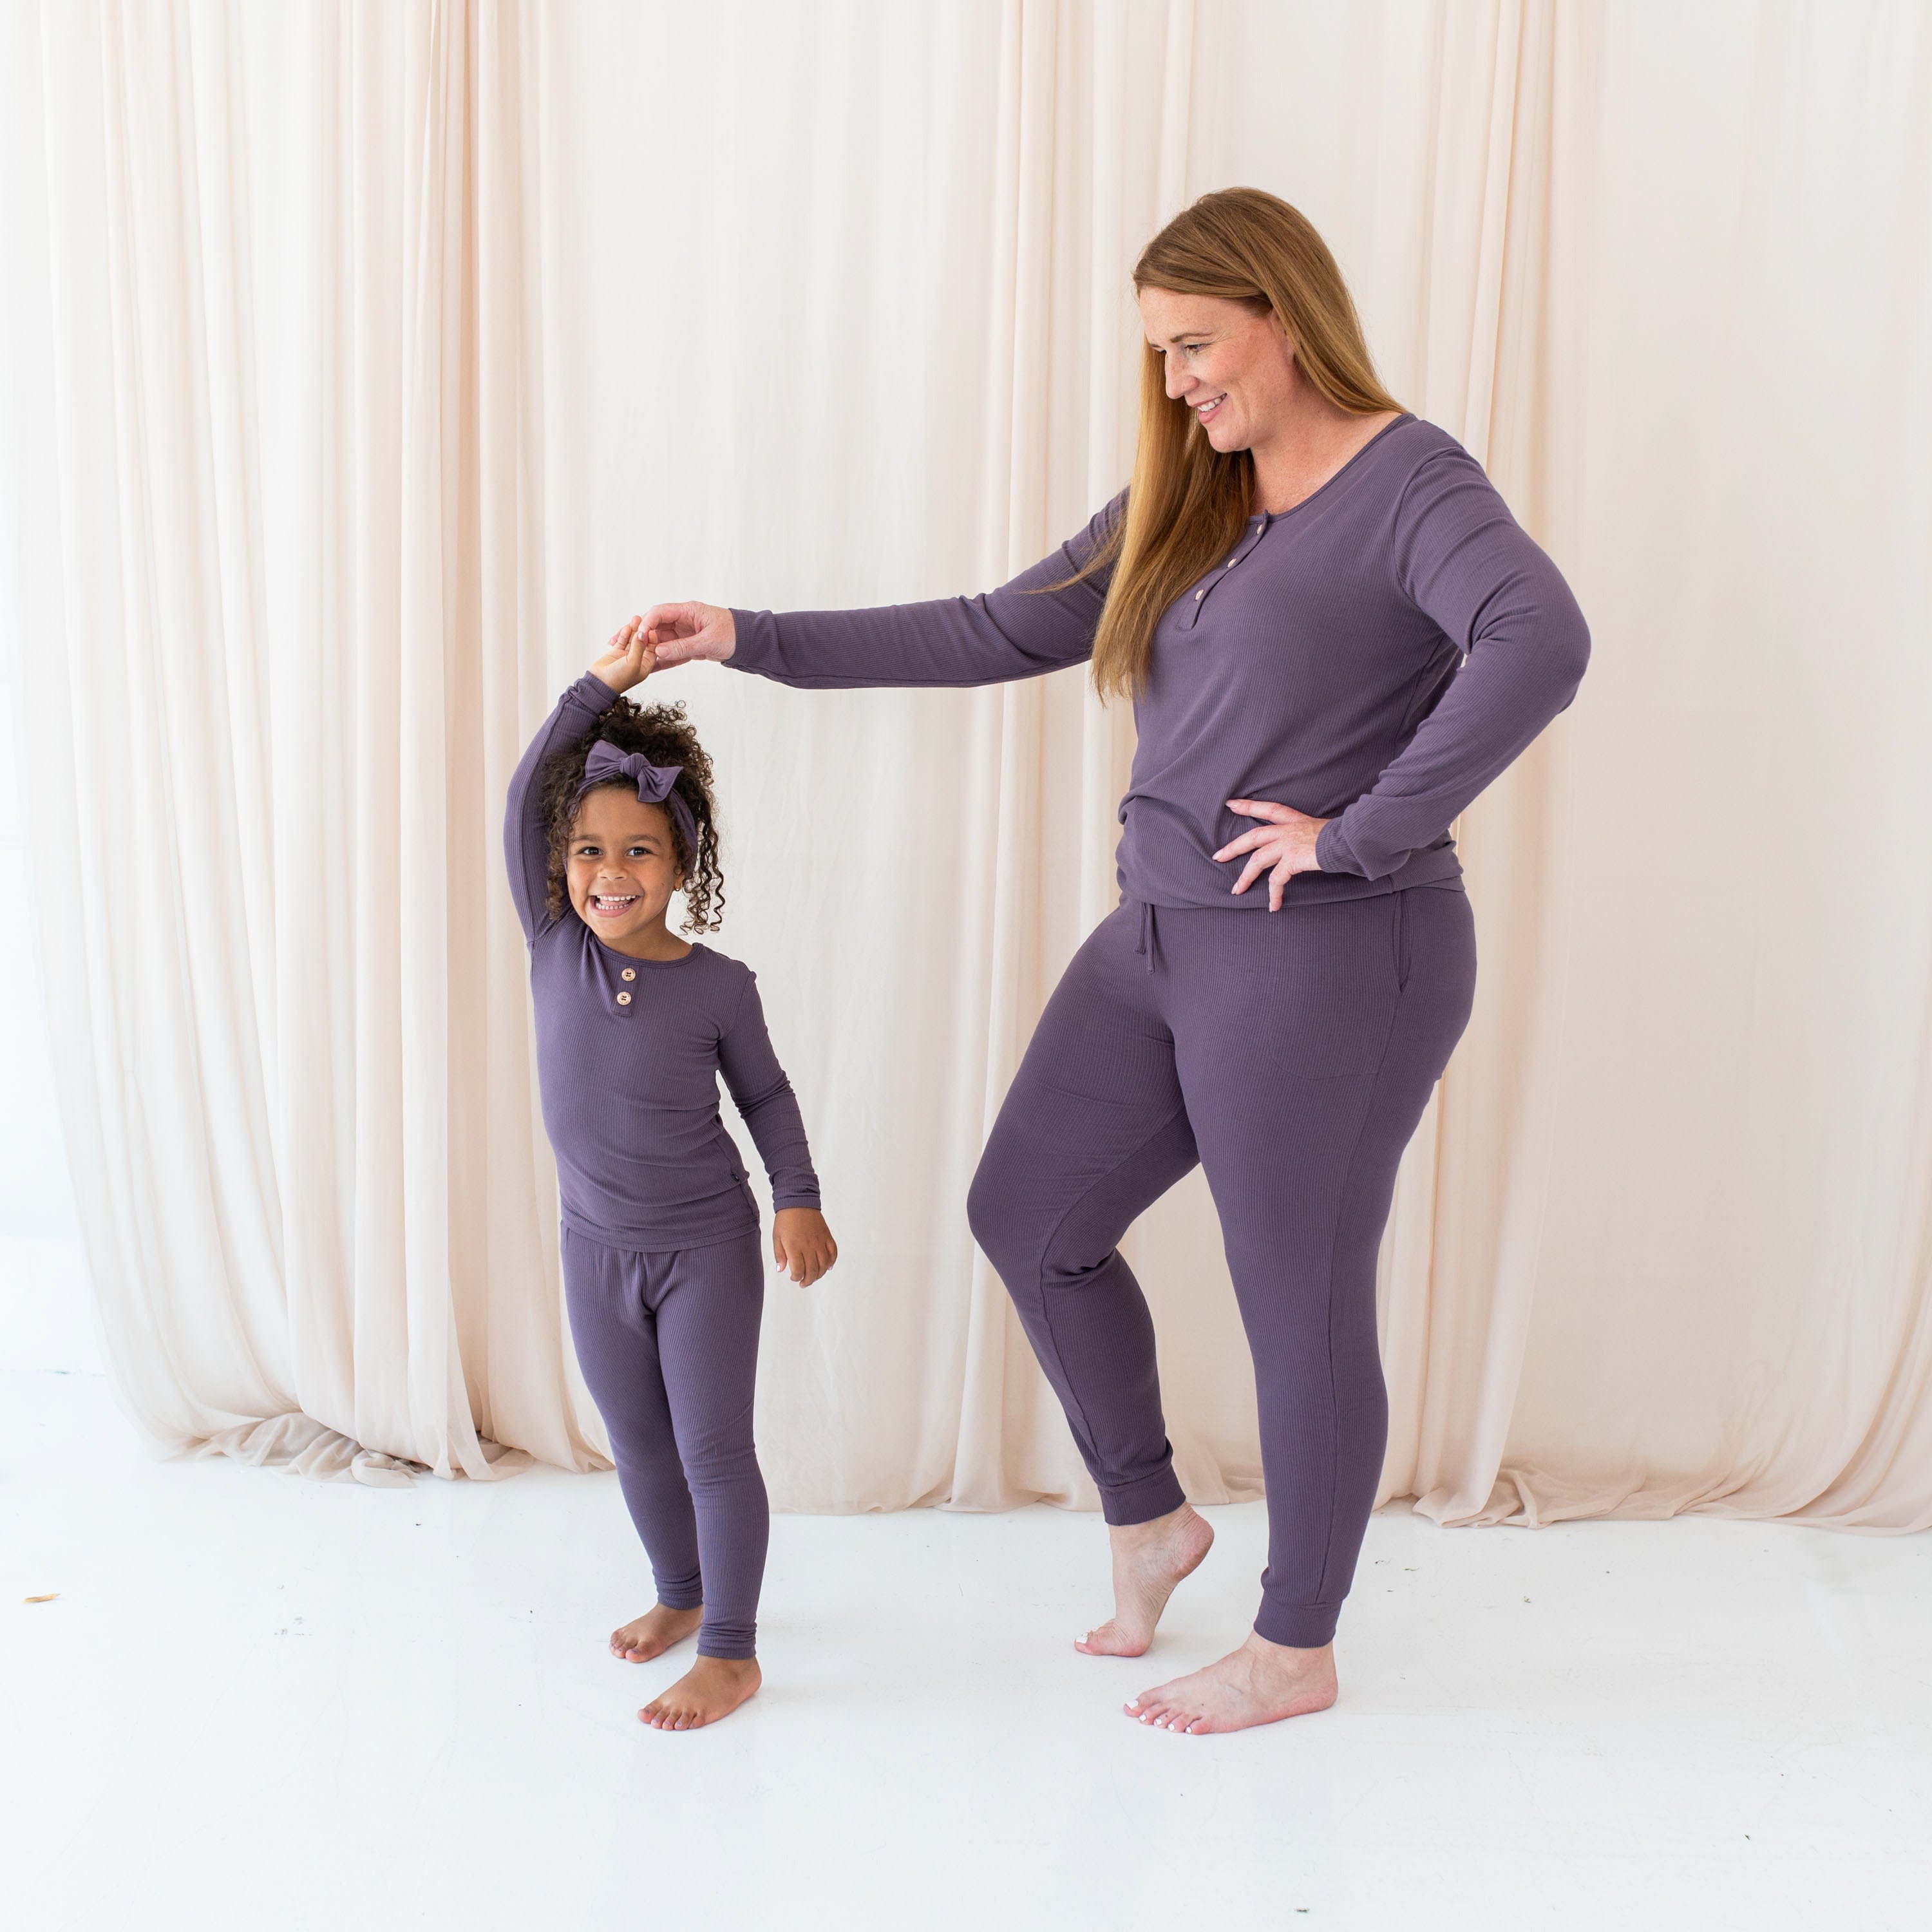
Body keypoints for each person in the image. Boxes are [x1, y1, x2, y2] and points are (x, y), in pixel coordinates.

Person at [638, 187, 1589, 1734]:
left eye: (1198, 345)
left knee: (1298, 1298)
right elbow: (996, 627)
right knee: (1029, 1215)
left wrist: (1362, 832)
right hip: (1154, 938)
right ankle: (1150, 1519)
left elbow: (1539, 638)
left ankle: (1295, 1648)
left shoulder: (1413, 482)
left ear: (1285, 316)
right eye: (1159, 353)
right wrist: (747, 632)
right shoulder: (1194, 489)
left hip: (1328, 955)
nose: (1177, 383)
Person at [504, 621, 838, 1731]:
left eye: (640, 850)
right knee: (638, 1444)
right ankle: (683, 1597)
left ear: (682, 865)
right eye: (590, 849)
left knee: (710, 1446)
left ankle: (734, 1653)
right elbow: (530, 789)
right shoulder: (555, 944)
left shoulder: (719, 987)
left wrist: (797, 1196)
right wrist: (607, 682)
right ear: (560, 863)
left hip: (703, 1249)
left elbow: (768, 1100)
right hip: (593, 1246)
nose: (610, 872)